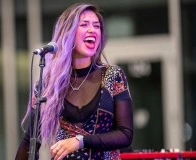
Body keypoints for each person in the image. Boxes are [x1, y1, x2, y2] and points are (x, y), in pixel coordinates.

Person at [15, 3, 133, 160]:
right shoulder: (48, 85)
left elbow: (125, 134)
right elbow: (29, 143)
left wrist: (80, 141)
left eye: (96, 26)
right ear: (67, 33)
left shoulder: (113, 76)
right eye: (84, 24)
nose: (92, 30)